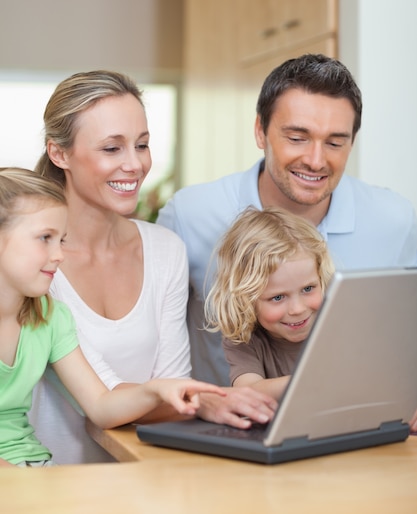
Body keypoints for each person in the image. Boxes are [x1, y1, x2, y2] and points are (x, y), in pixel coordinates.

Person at [29, 70, 276, 465]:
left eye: (141, 145)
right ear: (60, 154)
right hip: (53, 485)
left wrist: (197, 400)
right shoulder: (36, 261)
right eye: (112, 149)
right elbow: (102, 394)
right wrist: (203, 400)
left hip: (144, 474)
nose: (135, 165)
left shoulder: (164, 250)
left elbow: (171, 381)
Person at [157, 53, 417, 387]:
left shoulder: (394, 220)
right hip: (225, 431)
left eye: (335, 142)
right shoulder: (189, 214)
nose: (315, 160)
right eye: (297, 138)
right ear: (260, 132)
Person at [0, 167, 224, 467]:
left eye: (61, 240)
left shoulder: (51, 317)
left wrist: (157, 391)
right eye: (44, 238)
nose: (59, 255)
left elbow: (101, 405)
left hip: (33, 468)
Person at [205, 206, 335, 400]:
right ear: (246, 300)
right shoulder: (245, 339)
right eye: (278, 297)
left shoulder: (338, 321)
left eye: (308, 289)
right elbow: (247, 391)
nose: (298, 309)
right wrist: (316, 380)